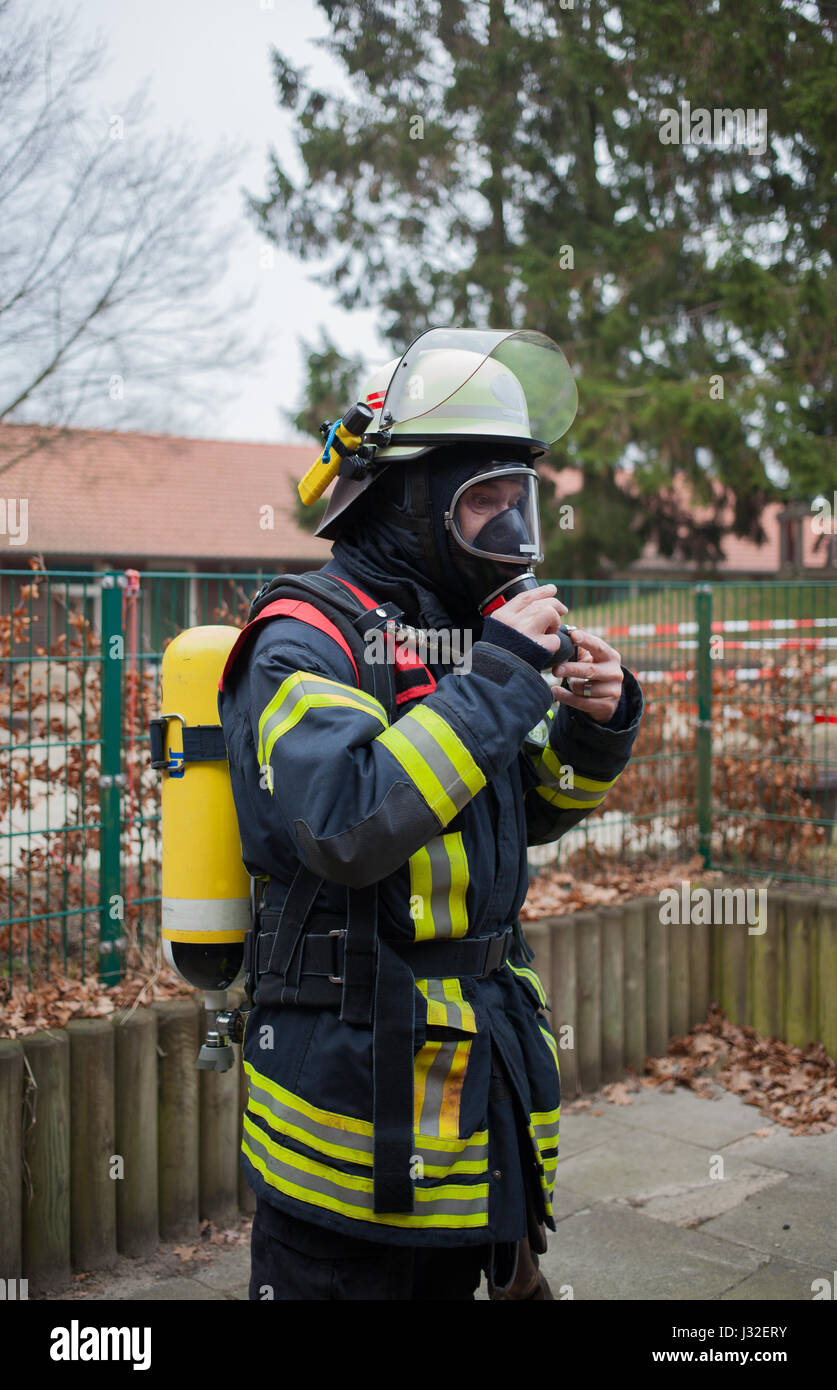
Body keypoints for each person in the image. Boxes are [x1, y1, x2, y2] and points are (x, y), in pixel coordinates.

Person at [218, 329, 644, 1300]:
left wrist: (594, 725)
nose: (508, 529)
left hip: (467, 1108)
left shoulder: (460, 640)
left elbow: (516, 817)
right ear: (407, 502)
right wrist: (500, 678)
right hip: (350, 1138)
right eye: (481, 501)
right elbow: (349, 823)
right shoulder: (303, 638)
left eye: (516, 499)